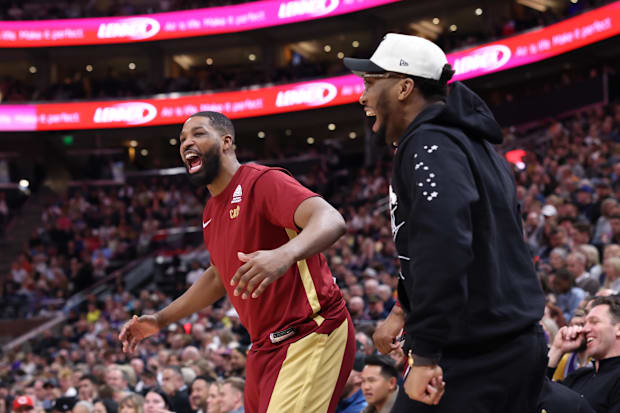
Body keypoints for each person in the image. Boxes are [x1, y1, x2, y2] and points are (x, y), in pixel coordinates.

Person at [344, 33, 547, 412]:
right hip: (504, 343)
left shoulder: (429, 144)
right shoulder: (466, 142)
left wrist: (426, 354)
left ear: (404, 87)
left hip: (478, 353)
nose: (363, 97)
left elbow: (445, 245)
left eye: (371, 84)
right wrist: (403, 310)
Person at [119, 111, 355, 413]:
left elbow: (331, 219)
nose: (187, 143)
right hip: (262, 349)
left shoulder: (262, 182)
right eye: (182, 139)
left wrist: (284, 254)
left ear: (227, 142)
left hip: (310, 333)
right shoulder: (210, 213)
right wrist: (161, 319)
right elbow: (219, 276)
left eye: (199, 133)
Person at [547, 295, 620, 413]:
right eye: (585, 323)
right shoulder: (580, 376)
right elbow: (534, 395)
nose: (585, 329)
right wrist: (557, 349)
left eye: (594, 322)